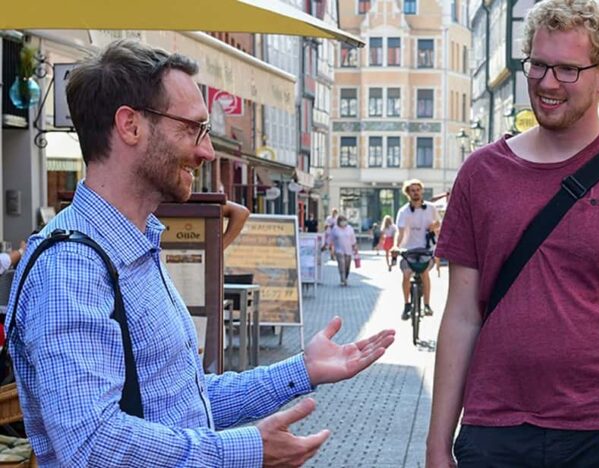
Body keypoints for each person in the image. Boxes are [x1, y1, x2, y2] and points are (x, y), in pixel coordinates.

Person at [4, 39, 396, 467]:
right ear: (130, 126)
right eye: (192, 128)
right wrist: (246, 450)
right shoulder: (72, 266)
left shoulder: (132, 246)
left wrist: (301, 370)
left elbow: (182, 401)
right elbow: (92, 445)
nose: (207, 150)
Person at [426, 1, 599, 466]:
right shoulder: (481, 172)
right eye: (538, 65)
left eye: (568, 69)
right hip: (496, 430)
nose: (548, 83)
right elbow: (461, 316)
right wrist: (436, 443)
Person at [394, 179, 440, 321]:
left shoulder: (431, 208)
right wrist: (396, 246)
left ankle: (426, 305)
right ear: (408, 193)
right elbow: (400, 232)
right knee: (406, 274)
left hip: (427, 250)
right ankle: (407, 304)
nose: (416, 193)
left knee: (425, 272)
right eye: (412, 190)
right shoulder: (404, 211)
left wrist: (434, 226)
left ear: (422, 191)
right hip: (409, 250)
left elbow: (439, 223)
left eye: (418, 190)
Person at [331, 215, 358, 287]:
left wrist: (355, 247)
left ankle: (346, 277)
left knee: (347, 266)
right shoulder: (335, 229)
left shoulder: (350, 228)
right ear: (338, 222)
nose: (343, 222)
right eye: (341, 221)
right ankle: (342, 279)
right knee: (341, 264)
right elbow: (331, 239)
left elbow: (353, 239)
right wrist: (330, 248)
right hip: (339, 250)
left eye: (344, 220)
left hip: (348, 250)